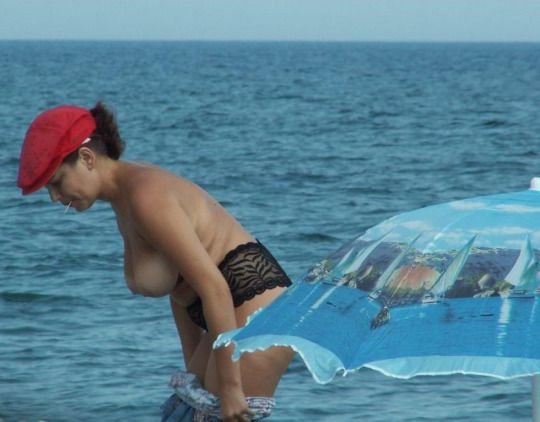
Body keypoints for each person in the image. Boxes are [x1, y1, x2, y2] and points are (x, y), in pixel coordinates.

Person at [17, 103, 294, 421]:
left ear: (87, 158)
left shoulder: (145, 196)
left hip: (255, 310)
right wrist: (192, 374)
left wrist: (231, 390)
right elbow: (181, 290)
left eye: (56, 182)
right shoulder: (124, 196)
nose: (54, 197)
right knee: (183, 412)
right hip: (230, 313)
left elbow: (214, 289)